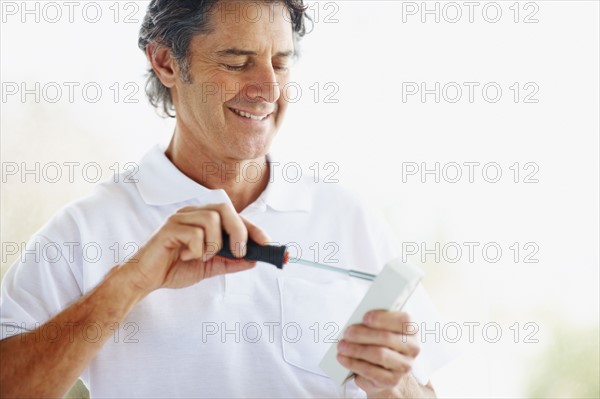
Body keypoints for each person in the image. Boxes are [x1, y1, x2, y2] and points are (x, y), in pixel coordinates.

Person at [0, 1, 447, 397]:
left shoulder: (350, 220)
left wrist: (393, 385)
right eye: (238, 62)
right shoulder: (86, 229)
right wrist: (131, 281)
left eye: (281, 62)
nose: (269, 89)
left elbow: (421, 392)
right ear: (165, 61)